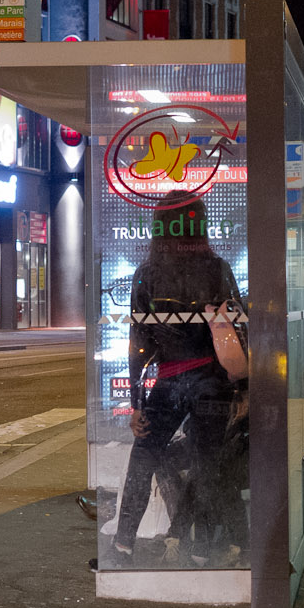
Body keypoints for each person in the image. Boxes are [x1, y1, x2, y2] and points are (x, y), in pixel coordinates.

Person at [112, 193, 247, 566]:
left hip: (168, 380)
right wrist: (242, 389)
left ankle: (123, 545)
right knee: (207, 465)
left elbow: (138, 343)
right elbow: (237, 332)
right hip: (211, 380)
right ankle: (200, 550)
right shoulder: (217, 269)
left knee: (142, 461)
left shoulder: (147, 273)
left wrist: (137, 402)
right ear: (200, 225)